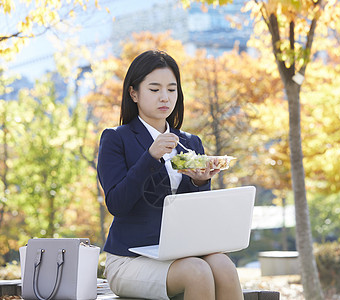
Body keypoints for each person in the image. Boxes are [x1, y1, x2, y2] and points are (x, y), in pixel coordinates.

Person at [97, 50, 243, 300]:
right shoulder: (116, 139)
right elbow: (117, 204)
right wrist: (149, 157)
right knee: (197, 272)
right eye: (154, 90)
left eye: (171, 89)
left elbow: (196, 214)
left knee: (224, 266)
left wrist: (200, 181)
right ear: (134, 93)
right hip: (130, 258)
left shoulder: (190, 142)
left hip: (180, 252)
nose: (165, 97)